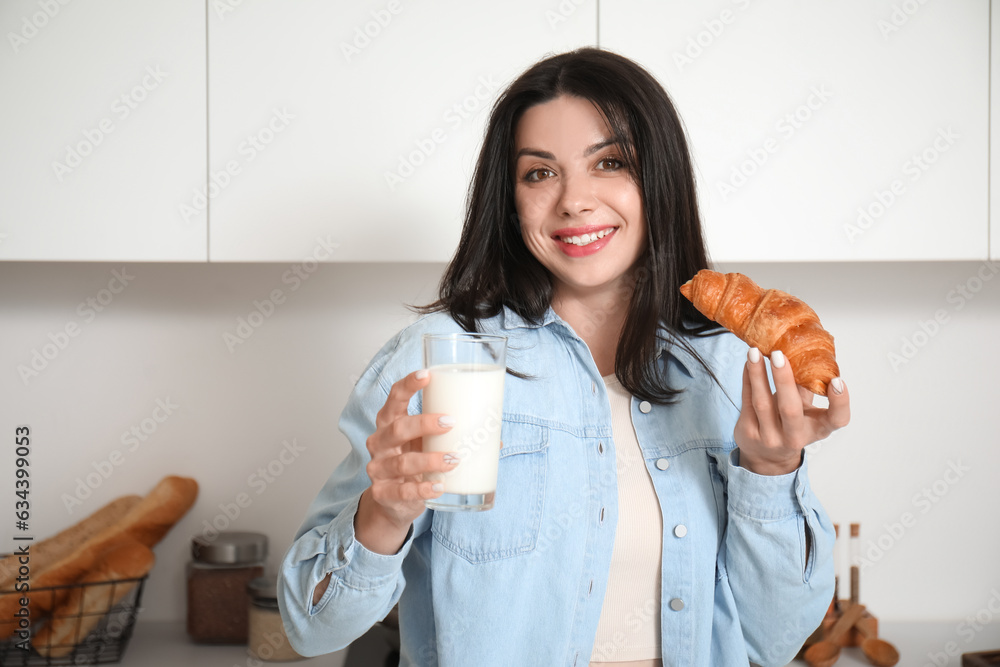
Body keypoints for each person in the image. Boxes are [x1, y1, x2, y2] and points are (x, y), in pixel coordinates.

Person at [277, 47, 850, 667]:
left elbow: (777, 637)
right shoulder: (440, 362)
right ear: (510, 197)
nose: (574, 200)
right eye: (539, 173)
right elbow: (310, 627)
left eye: (610, 162)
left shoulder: (726, 364)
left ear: (658, 179)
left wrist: (771, 470)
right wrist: (382, 517)